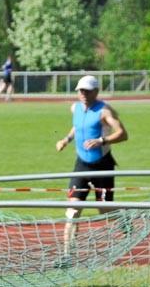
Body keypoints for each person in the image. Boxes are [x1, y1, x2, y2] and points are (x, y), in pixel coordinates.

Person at [55, 75, 128, 257]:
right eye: (81, 91)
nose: (84, 94)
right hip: (81, 165)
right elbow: (77, 127)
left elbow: (123, 134)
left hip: (102, 165)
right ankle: (67, 256)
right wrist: (66, 139)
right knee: (73, 211)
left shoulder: (104, 111)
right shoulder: (75, 108)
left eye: (87, 91)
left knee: (104, 210)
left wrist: (102, 140)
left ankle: (122, 217)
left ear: (96, 92)